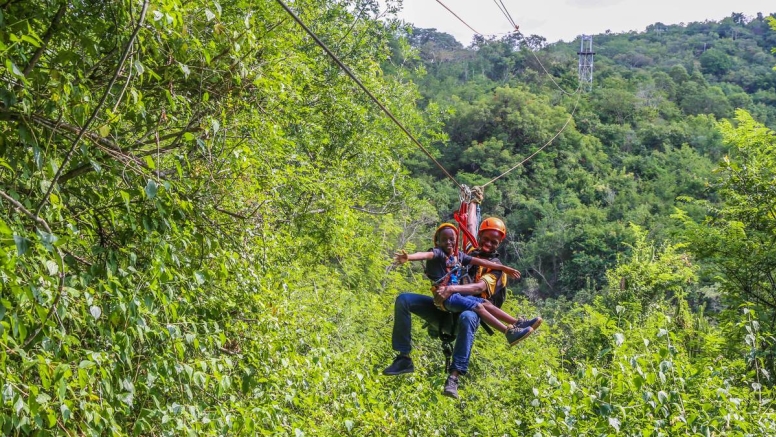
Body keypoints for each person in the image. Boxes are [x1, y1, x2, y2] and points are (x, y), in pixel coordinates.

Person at [384, 188, 543, 399]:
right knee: (404, 300)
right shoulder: (464, 253)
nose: (486, 244)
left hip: (468, 312)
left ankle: (454, 377)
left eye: (492, 242)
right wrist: (474, 201)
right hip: (445, 306)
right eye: (484, 239)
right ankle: (403, 357)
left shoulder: (495, 269)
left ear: (499, 244)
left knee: (470, 313)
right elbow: (470, 226)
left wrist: (451, 289)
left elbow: (478, 289)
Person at [393, 223, 532, 345]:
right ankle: (507, 332)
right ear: (438, 242)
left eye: (451, 239)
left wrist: (503, 268)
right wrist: (409, 257)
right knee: (478, 306)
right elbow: (424, 255)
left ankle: (516, 322)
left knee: (485, 303)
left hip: (456, 293)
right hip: (447, 296)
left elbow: (482, 262)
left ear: (456, 241)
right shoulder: (438, 253)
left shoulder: (459, 256)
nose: (448, 243)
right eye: (444, 240)